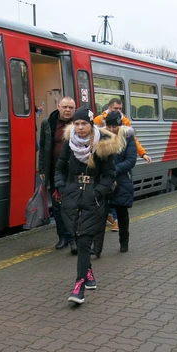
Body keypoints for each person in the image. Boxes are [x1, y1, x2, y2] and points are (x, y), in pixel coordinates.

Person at [54, 106, 119, 305]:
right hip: (71, 197)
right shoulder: (69, 143)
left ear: (91, 125)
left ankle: (79, 286)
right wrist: (62, 188)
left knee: (83, 241)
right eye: (77, 123)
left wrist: (98, 192)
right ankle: (88, 273)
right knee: (76, 235)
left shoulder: (103, 145)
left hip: (93, 198)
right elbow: (60, 168)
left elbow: (109, 174)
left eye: (84, 124)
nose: (80, 127)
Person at [94, 98, 151, 233]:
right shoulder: (99, 120)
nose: (119, 111)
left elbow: (133, 141)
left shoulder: (124, 122)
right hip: (105, 172)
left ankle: (117, 223)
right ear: (109, 108)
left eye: (120, 108)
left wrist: (142, 153)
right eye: (116, 109)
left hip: (119, 172)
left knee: (118, 199)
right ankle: (112, 222)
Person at [38, 97, 76, 253]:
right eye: (65, 107)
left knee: (73, 205)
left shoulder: (79, 123)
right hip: (55, 171)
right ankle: (63, 237)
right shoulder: (48, 123)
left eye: (71, 107)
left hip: (74, 171)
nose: (68, 110)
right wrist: (42, 169)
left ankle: (75, 237)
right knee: (58, 205)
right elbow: (43, 147)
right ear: (58, 107)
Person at [97, 110, 137, 254]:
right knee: (100, 216)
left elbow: (131, 160)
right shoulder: (101, 136)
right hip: (104, 181)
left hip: (122, 181)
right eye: (109, 126)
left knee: (122, 214)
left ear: (120, 125)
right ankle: (97, 248)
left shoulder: (128, 137)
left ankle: (124, 242)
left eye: (115, 126)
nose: (112, 129)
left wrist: (113, 170)